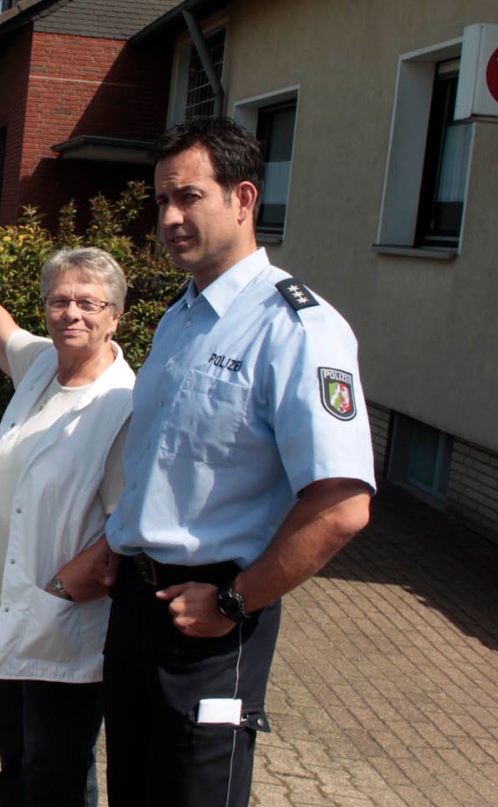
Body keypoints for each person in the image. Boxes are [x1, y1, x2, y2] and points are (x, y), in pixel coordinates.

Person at [85, 116, 375, 806]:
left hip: (211, 618)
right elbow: (165, 461)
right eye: (161, 201)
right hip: (137, 605)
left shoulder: (298, 329)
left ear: (243, 199)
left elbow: (341, 506)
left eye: (189, 196)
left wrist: (233, 602)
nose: (171, 217)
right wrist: (115, 539)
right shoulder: (179, 317)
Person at [0, 244, 134, 807]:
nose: (73, 313)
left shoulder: (122, 405)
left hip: (65, 617)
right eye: (60, 300)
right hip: (13, 602)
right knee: (15, 754)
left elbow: (126, 530)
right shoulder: (44, 365)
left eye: (89, 304)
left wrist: (61, 588)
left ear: (115, 316)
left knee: (57, 772)